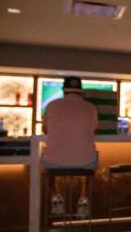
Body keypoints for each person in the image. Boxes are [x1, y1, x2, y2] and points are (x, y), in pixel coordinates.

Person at [42, 76, 98, 218]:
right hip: (85, 162)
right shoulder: (91, 108)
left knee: (45, 168)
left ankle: (56, 198)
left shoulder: (51, 106)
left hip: (53, 162)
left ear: (64, 91)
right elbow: (94, 129)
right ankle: (83, 200)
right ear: (80, 91)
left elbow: (45, 130)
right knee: (91, 165)